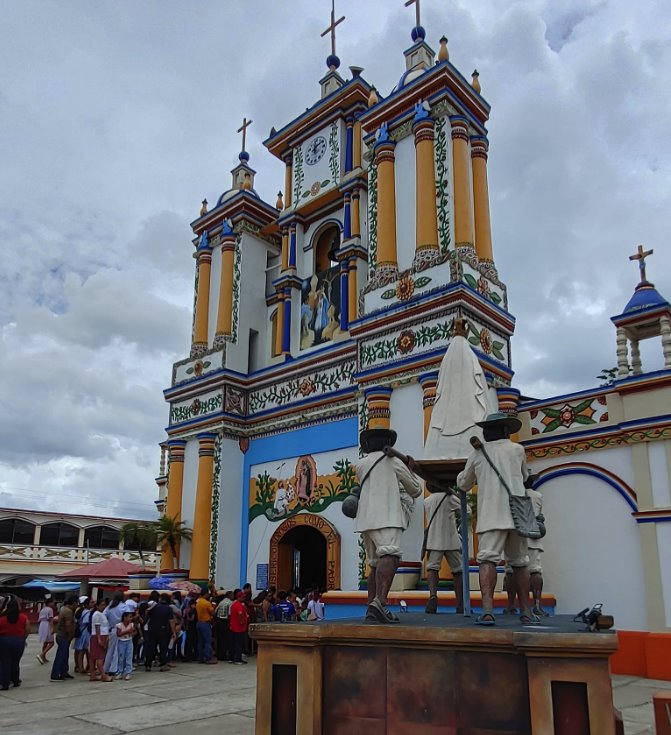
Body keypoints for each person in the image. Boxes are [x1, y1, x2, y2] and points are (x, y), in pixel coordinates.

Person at [456, 412, 536, 626]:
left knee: (487, 559)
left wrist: (459, 477)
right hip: (517, 515)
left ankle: (488, 609)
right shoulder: (517, 450)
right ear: (506, 431)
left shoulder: (477, 454)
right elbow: (526, 476)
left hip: (491, 515)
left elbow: (463, 484)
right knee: (520, 563)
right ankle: (526, 610)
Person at [355, 427, 422, 624]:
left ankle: (371, 607)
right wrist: (409, 467)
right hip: (387, 516)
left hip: (365, 519)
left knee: (374, 564)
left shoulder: (361, 464)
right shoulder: (393, 462)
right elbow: (416, 490)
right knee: (390, 555)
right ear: (389, 444)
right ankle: (380, 602)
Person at [424, 490, 464, 614]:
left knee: (432, 568)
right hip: (451, 539)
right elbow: (466, 511)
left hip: (434, 540)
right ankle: (460, 603)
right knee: (458, 571)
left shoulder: (427, 501)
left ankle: (432, 595)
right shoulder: (451, 498)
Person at [0, 596, 30, 690]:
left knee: (6, 662)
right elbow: (28, 630)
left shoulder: (2, 619)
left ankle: (5, 683)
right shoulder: (23, 618)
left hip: (4, 641)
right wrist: (22, 638)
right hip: (18, 641)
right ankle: (15, 681)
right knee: (15, 662)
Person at [145, 594, 175, 672]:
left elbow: (147, 615)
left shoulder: (154, 606)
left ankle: (148, 665)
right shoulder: (169, 608)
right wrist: (173, 632)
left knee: (151, 646)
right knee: (163, 647)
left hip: (152, 629)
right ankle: (163, 665)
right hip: (163, 629)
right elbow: (171, 621)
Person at [50, 595, 77, 681]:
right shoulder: (68, 611)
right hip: (63, 635)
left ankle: (63, 672)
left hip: (61, 635)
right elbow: (68, 624)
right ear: (74, 603)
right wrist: (70, 635)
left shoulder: (63, 609)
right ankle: (56, 674)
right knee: (61, 655)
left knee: (64, 655)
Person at [103, 591, 126, 676]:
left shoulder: (109, 607)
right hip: (121, 629)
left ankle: (106, 667)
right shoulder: (123, 606)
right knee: (118, 649)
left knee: (110, 649)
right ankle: (114, 668)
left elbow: (104, 616)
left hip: (112, 630)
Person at [90, 599, 112, 682]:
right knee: (100, 657)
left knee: (94, 656)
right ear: (97, 606)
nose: (103, 607)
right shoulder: (97, 614)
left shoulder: (100, 614)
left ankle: (93, 675)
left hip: (99, 635)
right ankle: (103, 675)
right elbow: (97, 627)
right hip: (99, 636)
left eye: (104, 605)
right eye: (102, 605)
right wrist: (99, 639)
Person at [74, 597, 94, 674]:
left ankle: (79, 666)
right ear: (86, 604)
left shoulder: (80, 611)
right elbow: (87, 622)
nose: (93, 603)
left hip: (81, 632)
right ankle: (82, 667)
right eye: (91, 602)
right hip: (85, 632)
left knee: (80, 650)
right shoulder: (87, 612)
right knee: (84, 650)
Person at [195, 589, 216, 664]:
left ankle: (200, 658)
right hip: (205, 623)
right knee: (207, 641)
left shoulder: (198, 602)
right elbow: (213, 613)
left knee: (200, 641)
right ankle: (208, 658)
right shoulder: (207, 603)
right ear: (206, 594)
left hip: (199, 623)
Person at [228, 589, 249, 665]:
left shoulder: (233, 604)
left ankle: (231, 658)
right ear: (239, 597)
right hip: (239, 628)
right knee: (238, 644)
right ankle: (238, 659)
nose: (244, 599)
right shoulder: (239, 605)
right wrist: (242, 622)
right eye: (243, 597)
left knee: (233, 643)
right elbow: (240, 614)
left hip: (233, 627)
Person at [115, 611, 135, 680]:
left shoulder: (131, 625)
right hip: (121, 642)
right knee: (121, 658)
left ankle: (129, 672)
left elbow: (134, 631)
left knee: (129, 657)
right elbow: (118, 634)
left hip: (129, 641)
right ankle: (120, 672)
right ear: (125, 617)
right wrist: (127, 631)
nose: (131, 619)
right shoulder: (119, 625)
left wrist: (132, 633)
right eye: (129, 617)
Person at [214, 591, 233, 660]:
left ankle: (219, 654)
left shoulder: (221, 602)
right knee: (225, 639)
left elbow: (215, 611)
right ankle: (224, 655)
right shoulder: (230, 603)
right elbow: (230, 614)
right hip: (225, 621)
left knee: (220, 639)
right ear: (230, 595)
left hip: (219, 621)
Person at [36, 599, 56, 664]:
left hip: (42, 625)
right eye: (52, 602)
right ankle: (42, 654)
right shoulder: (50, 610)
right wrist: (52, 628)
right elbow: (50, 620)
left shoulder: (43, 609)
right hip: (47, 625)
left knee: (45, 642)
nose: (53, 604)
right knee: (51, 642)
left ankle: (43, 657)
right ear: (49, 603)